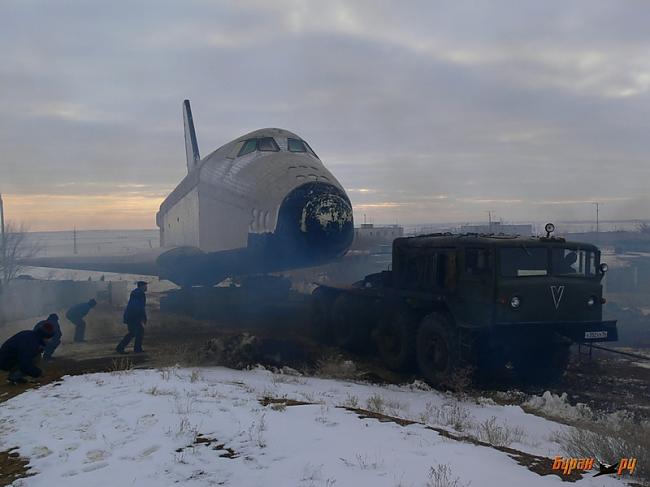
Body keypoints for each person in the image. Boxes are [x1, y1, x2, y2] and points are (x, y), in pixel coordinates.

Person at [116, 281, 148, 354]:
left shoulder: (135, 292)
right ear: (141, 286)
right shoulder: (140, 293)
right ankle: (136, 349)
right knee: (138, 332)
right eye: (145, 286)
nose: (146, 288)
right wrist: (142, 317)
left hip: (131, 316)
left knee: (133, 333)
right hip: (134, 316)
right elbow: (139, 307)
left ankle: (121, 347)